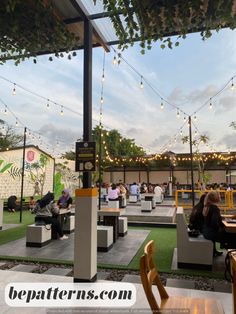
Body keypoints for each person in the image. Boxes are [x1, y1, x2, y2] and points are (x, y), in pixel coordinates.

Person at [202, 191, 236, 256]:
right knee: (233, 236)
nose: (219, 196)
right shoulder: (215, 208)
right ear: (215, 198)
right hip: (212, 234)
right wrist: (221, 228)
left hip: (206, 232)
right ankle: (231, 255)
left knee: (227, 233)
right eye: (218, 195)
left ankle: (222, 248)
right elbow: (214, 223)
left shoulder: (206, 206)